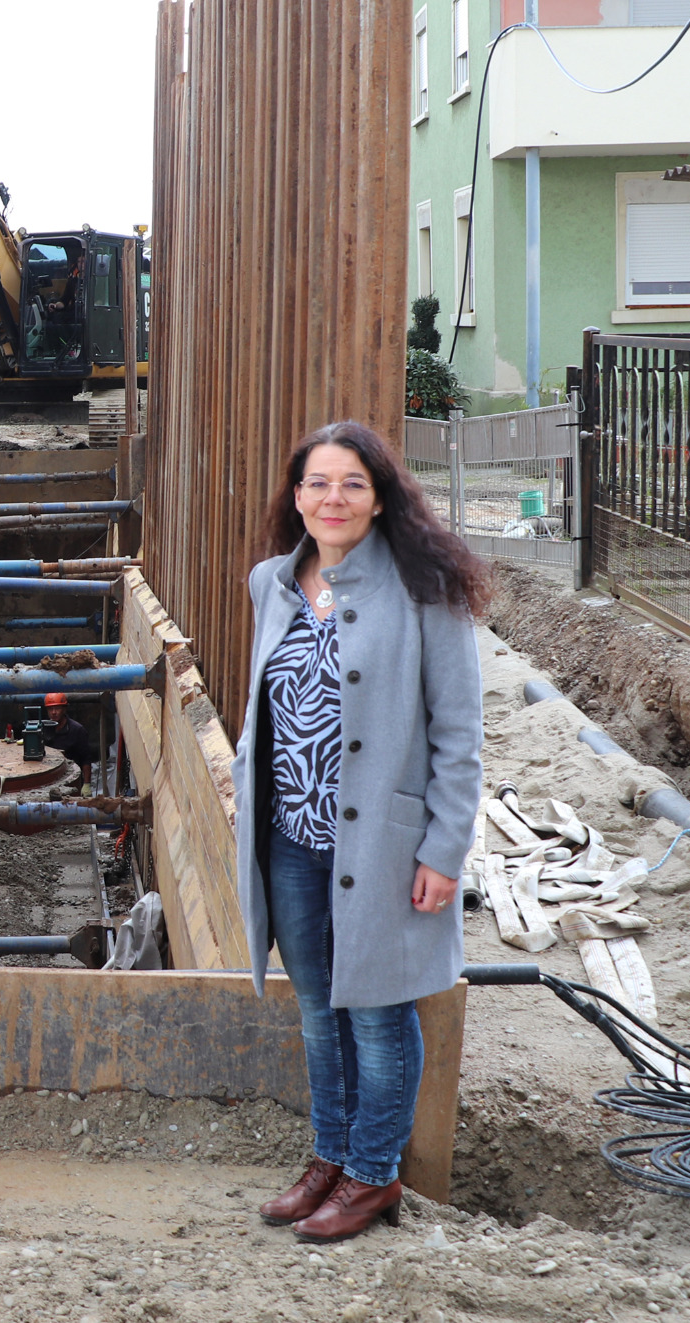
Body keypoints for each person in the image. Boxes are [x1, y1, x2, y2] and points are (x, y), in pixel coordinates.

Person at [230, 420, 485, 1243]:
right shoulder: (273, 581)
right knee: (317, 1009)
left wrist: (444, 849)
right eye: (317, 483)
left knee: (376, 1011)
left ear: (380, 499)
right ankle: (330, 1157)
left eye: (351, 484)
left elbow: (459, 732)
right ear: (296, 496)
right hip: (290, 836)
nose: (331, 498)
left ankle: (374, 1175)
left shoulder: (424, 589)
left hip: (379, 841)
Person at [40, 692, 97, 788]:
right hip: (49, 779)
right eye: (50, 709)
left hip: (72, 779)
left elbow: (86, 759)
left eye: (57, 708)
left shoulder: (77, 730)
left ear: (64, 709)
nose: (53, 712)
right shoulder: (43, 728)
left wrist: (87, 784)